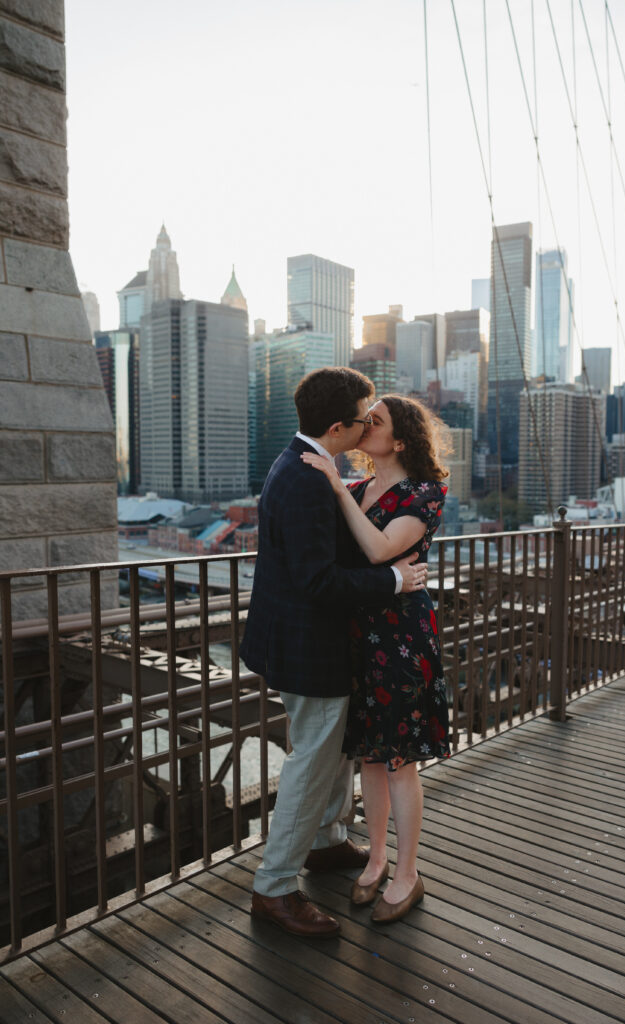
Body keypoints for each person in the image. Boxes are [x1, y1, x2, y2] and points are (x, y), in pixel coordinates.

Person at [241, 368, 429, 939]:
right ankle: (274, 888)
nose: (368, 422)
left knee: (333, 750)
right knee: (314, 762)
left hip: (312, 641)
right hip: (311, 646)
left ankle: (323, 843)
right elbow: (319, 582)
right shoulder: (304, 481)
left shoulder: (306, 467)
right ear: (336, 427)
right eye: (362, 417)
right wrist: (395, 582)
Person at [301, 394, 450, 924]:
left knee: (399, 761)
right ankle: (378, 858)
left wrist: (336, 484)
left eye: (376, 421)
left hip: (402, 635)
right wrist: (342, 487)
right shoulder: (362, 487)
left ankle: (408, 873)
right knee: (368, 755)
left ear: (401, 438)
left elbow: (378, 551)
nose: (366, 425)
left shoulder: (426, 493)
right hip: (359, 634)